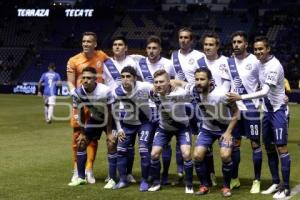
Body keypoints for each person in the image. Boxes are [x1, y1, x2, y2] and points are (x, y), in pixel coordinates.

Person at [227, 36, 291, 198]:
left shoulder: (274, 66)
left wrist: (241, 98)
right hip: (267, 111)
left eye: (261, 49)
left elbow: (264, 92)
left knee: (281, 147)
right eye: (256, 49)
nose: (258, 52)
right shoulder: (260, 64)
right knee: (269, 147)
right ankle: (276, 182)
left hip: (278, 111)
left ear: (268, 49)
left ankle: (286, 187)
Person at [186, 68, 239, 197]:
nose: (199, 82)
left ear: (210, 81)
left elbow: (237, 113)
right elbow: (179, 83)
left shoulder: (222, 94)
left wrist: (228, 132)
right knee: (197, 156)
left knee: (225, 155)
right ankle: (204, 186)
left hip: (224, 129)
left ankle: (226, 187)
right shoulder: (194, 90)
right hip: (207, 129)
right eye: (197, 79)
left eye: (202, 79)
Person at [66, 32, 109, 184]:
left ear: (95, 44)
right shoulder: (73, 60)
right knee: (78, 137)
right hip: (82, 102)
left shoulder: (102, 57)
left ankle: (89, 169)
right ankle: (77, 170)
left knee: (93, 139)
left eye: (89, 41)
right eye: (84, 41)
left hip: (98, 103)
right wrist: (75, 95)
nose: (86, 44)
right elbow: (70, 82)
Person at [226, 31, 262, 194]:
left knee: (255, 145)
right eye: (234, 42)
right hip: (234, 110)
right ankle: (234, 179)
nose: (236, 45)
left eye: (239, 42)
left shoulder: (255, 61)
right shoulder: (228, 62)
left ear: (246, 44)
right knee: (234, 145)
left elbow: (264, 83)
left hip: (251, 110)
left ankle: (257, 180)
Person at [148, 69, 194, 194]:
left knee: (186, 154)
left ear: (169, 82)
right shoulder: (153, 93)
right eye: (156, 82)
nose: (158, 84)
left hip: (182, 127)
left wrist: (177, 82)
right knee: (154, 154)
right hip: (164, 128)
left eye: (162, 82)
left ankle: (189, 184)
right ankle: (157, 183)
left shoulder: (180, 93)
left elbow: (191, 90)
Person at [136, 35, 174, 185]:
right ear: (146, 49)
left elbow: (174, 83)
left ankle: (165, 174)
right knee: (146, 144)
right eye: (149, 48)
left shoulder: (168, 64)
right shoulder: (139, 63)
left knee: (164, 144)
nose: (151, 51)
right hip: (145, 109)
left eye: (155, 48)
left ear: (160, 50)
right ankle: (151, 176)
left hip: (164, 108)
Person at [196, 32, 232, 186]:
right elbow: (193, 81)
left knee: (228, 151)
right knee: (204, 149)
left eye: (211, 44)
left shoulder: (226, 62)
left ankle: (231, 179)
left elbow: (227, 85)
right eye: (205, 44)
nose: (208, 47)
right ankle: (210, 176)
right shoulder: (198, 61)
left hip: (221, 105)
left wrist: (219, 98)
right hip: (204, 107)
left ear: (217, 46)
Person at [102, 36, 138, 189]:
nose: (117, 47)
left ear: (126, 47)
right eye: (115, 44)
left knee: (129, 144)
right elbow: (103, 83)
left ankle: (128, 173)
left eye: (120, 44)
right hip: (112, 105)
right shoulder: (106, 64)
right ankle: (112, 174)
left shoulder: (133, 62)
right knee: (112, 140)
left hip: (130, 106)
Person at [68, 67, 113, 186]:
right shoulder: (78, 93)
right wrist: (82, 133)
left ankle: (112, 177)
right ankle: (81, 177)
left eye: (89, 78)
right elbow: (81, 112)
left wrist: (109, 133)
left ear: (95, 79)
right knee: (81, 143)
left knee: (111, 143)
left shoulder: (105, 91)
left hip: (111, 119)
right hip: (96, 119)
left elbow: (110, 112)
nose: (85, 80)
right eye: (83, 78)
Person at [171, 27, 205, 181]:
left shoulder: (199, 56)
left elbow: (204, 77)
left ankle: (204, 170)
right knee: (181, 135)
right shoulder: (173, 56)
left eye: (186, 38)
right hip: (179, 102)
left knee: (201, 136)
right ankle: (180, 170)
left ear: (191, 40)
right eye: (181, 37)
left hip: (196, 101)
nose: (183, 40)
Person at [112, 66, 154, 191]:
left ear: (135, 78)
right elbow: (114, 111)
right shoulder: (117, 91)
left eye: (128, 76)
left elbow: (159, 92)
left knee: (143, 151)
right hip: (127, 124)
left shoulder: (144, 86)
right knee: (120, 150)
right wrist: (119, 129)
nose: (125, 79)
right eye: (123, 77)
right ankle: (123, 180)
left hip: (144, 123)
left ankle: (145, 181)